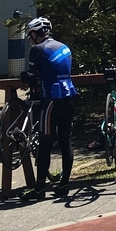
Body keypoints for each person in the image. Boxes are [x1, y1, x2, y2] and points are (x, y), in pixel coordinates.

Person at [24, 17, 77, 199]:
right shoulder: (64, 47)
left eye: (30, 35)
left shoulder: (37, 49)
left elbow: (30, 75)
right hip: (69, 95)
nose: (30, 39)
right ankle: (64, 184)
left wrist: (26, 77)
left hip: (51, 98)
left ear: (34, 33)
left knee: (45, 142)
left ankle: (39, 189)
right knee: (65, 140)